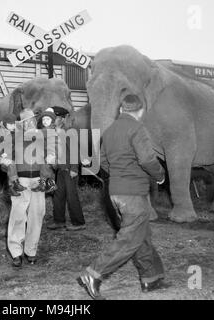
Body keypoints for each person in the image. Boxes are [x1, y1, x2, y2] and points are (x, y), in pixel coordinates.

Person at [77, 94, 168, 300]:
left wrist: (119, 175)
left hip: (115, 191)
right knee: (129, 238)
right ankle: (93, 274)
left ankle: (150, 278)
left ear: (121, 110)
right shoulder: (137, 129)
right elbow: (146, 159)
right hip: (133, 192)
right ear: (141, 111)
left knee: (141, 235)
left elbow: (104, 163)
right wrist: (160, 176)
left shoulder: (109, 132)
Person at [7, 109, 46, 267]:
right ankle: (16, 253)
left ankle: (31, 251)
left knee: (36, 216)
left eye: (32, 120)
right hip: (21, 180)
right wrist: (13, 178)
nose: (30, 123)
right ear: (21, 124)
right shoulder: (14, 139)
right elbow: (7, 161)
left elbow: (47, 161)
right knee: (18, 216)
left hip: (37, 180)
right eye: (26, 121)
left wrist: (44, 178)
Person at [47, 106, 86, 231]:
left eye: (56, 117)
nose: (53, 120)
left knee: (72, 196)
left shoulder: (69, 132)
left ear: (62, 119)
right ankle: (59, 221)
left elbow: (75, 151)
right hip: (60, 169)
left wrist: (74, 168)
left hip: (70, 169)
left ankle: (79, 222)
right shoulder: (55, 133)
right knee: (58, 196)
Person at [0, 113, 26, 196]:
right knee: (11, 165)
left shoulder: (14, 132)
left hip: (10, 156)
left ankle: (13, 185)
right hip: (0, 157)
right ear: (5, 123)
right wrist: (1, 153)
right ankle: (12, 186)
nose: (13, 126)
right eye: (11, 124)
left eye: (14, 124)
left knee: (13, 165)